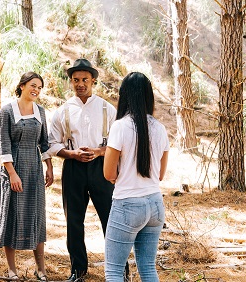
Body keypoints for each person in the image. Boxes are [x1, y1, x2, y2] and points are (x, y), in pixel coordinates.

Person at [46, 59, 118, 281]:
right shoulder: (62, 111)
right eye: (75, 80)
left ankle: (118, 269)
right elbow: (51, 143)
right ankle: (78, 270)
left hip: (102, 168)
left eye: (85, 80)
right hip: (73, 168)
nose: (80, 84)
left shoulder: (108, 109)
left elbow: (119, 143)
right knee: (73, 221)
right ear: (70, 82)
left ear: (93, 81)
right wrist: (72, 154)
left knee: (111, 219)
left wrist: (98, 152)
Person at [103, 72, 169, 282]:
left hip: (127, 204)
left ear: (125, 96)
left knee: (114, 271)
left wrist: (120, 177)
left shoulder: (120, 126)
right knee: (148, 268)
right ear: (149, 96)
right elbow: (160, 174)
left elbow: (108, 173)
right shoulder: (160, 128)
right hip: (155, 204)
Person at [0, 72, 54, 281]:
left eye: (40, 87)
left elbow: (44, 143)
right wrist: (12, 174)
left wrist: (49, 167)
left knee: (36, 215)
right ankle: (12, 270)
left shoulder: (40, 112)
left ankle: (41, 269)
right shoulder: (7, 111)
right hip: (13, 170)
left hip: (34, 169)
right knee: (12, 215)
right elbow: (3, 144)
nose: (36, 90)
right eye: (33, 85)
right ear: (22, 86)